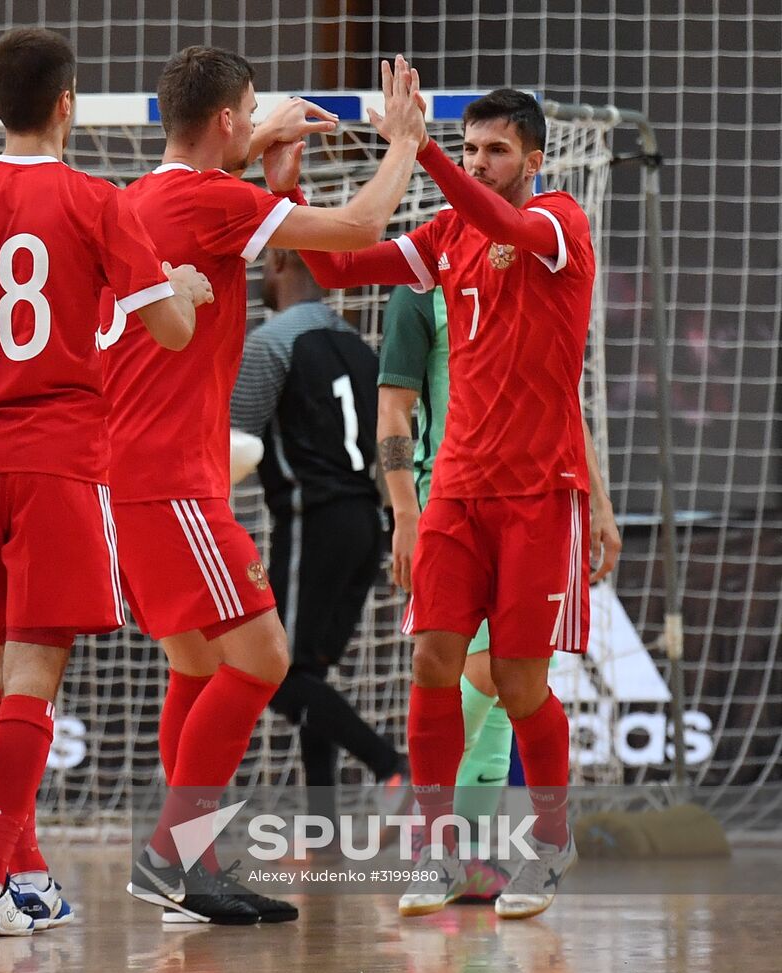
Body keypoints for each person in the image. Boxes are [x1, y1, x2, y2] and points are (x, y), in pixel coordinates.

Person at [0, 27, 212, 938]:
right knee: (35, 668)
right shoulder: (99, 201)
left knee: (2, 670)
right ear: (69, 103)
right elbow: (172, 332)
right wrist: (183, 286)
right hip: (60, 454)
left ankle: (25, 874)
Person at [102, 48, 428, 926]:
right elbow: (361, 230)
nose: (264, 120)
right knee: (265, 661)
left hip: (134, 472)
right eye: (253, 111)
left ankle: (190, 870)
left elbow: (239, 221)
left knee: (197, 664)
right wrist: (401, 142)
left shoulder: (142, 198)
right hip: (172, 478)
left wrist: (276, 177)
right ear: (227, 123)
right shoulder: (208, 200)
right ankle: (172, 858)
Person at [302, 88, 617, 920]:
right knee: (432, 664)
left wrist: (423, 150)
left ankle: (549, 842)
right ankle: (437, 854)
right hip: (458, 492)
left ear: (535, 160)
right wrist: (284, 189)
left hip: (538, 495)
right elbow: (336, 267)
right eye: (469, 149)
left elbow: (509, 229)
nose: (478, 163)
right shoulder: (444, 237)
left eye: (495, 151)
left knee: (518, 685)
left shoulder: (558, 225)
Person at [377, 283, 621, 903]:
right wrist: (406, 512)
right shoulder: (418, 287)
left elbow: (560, 400)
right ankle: (441, 844)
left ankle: (471, 847)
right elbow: (394, 409)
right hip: (446, 500)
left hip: (532, 503)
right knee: (446, 666)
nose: (475, 178)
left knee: (503, 680)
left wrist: (598, 500)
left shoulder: (534, 273)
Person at [230, 249, 409, 833]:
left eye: (261, 264)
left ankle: (392, 767)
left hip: (315, 520)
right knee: (309, 676)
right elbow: (393, 436)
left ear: (281, 261)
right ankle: (325, 828)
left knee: (278, 677)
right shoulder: (362, 349)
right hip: (367, 523)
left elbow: (235, 445)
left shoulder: (270, 344)